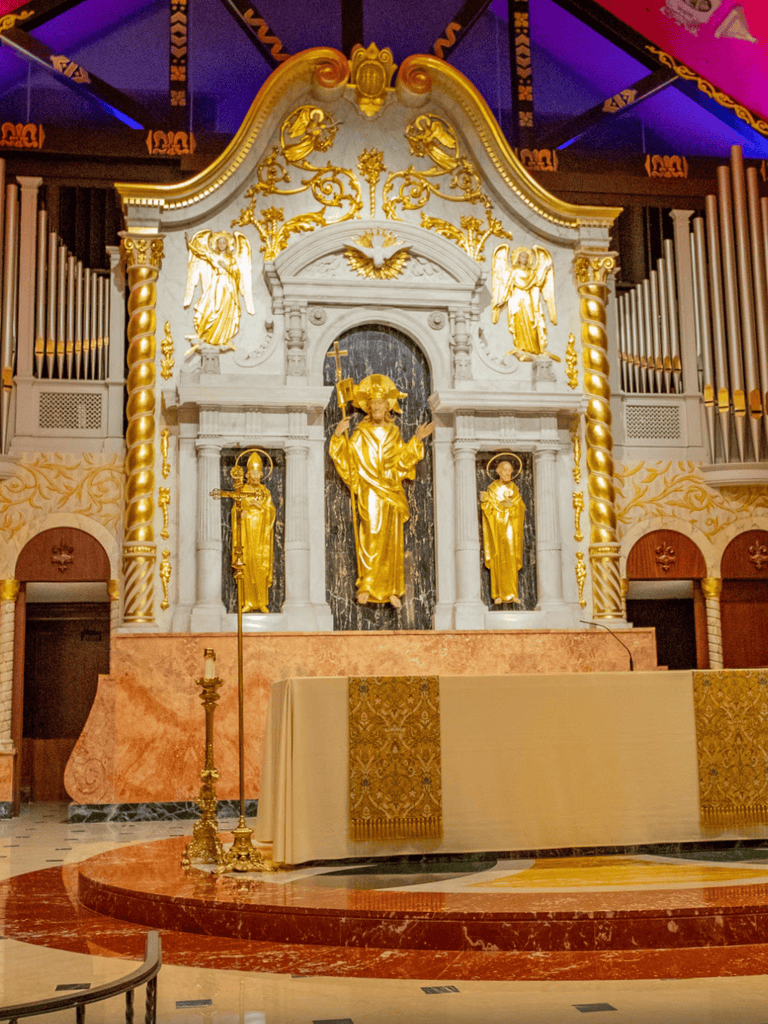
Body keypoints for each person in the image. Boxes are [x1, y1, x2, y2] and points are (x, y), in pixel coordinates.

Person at [329, 374, 433, 608]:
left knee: (392, 541)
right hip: (369, 491)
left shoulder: (394, 433)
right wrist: (338, 436)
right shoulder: (360, 434)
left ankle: (392, 589)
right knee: (371, 535)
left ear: (388, 407)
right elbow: (348, 460)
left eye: (380, 403)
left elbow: (402, 462)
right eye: (373, 403)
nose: (376, 407)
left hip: (391, 490)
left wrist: (417, 439)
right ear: (368, 407)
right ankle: (366, 585)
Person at [184, 230, 254, 351]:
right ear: (217, 244)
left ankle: (222, 336)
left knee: (225, 309)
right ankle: (208, 334)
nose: (222, 245)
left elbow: (237, 273)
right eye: (220, 243)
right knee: (212, 308)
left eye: (224, 243)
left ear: (227, 245)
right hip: (217, 284)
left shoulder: (231, 259)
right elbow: (200, 253)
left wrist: (226, 267)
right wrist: (189, 243)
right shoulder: (213, 256)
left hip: (229, 286)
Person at [234, 452, 275, 613]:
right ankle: (248, 602)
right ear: (247, 475)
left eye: (258, 473)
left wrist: (262, 508)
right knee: (246, 564)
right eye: (253, 473)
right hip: (246, 534)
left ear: (262, 474)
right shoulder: (242, 491)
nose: (256, 476)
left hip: (262, 535)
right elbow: (235, 511)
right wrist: (242, 513)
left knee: (261, 565)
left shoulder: (265, 492)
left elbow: (271, 511)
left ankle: (262, 602)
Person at [481, 459, 526, 604]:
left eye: (510, 471)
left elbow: (521, 507)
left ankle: (513, 593)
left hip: (511, 529)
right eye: (505, 470)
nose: (508, 473)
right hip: (497, 528)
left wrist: (512, 506)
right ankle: (497, 593)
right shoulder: (492, 488)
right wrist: (485, 501)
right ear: (498, 471)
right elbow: (488, 508)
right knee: (498, 558)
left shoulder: (514, 489)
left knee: (511, 557)